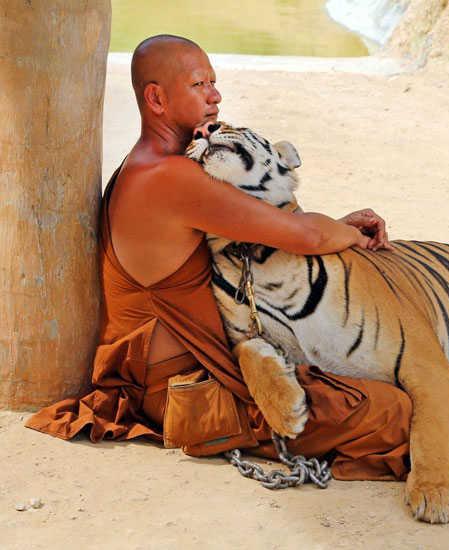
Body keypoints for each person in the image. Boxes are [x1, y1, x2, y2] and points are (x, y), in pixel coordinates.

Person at [25, 34, 412, 481]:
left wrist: (337, 226)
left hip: (186, 376)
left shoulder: (156, 165)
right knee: (391, 411)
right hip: (183, 393)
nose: (215, 95)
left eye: (214, 82)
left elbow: (270, 226)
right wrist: (350, 234)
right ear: (156, 98)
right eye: (199, 84)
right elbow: (304, 234)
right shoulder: (167, 178)